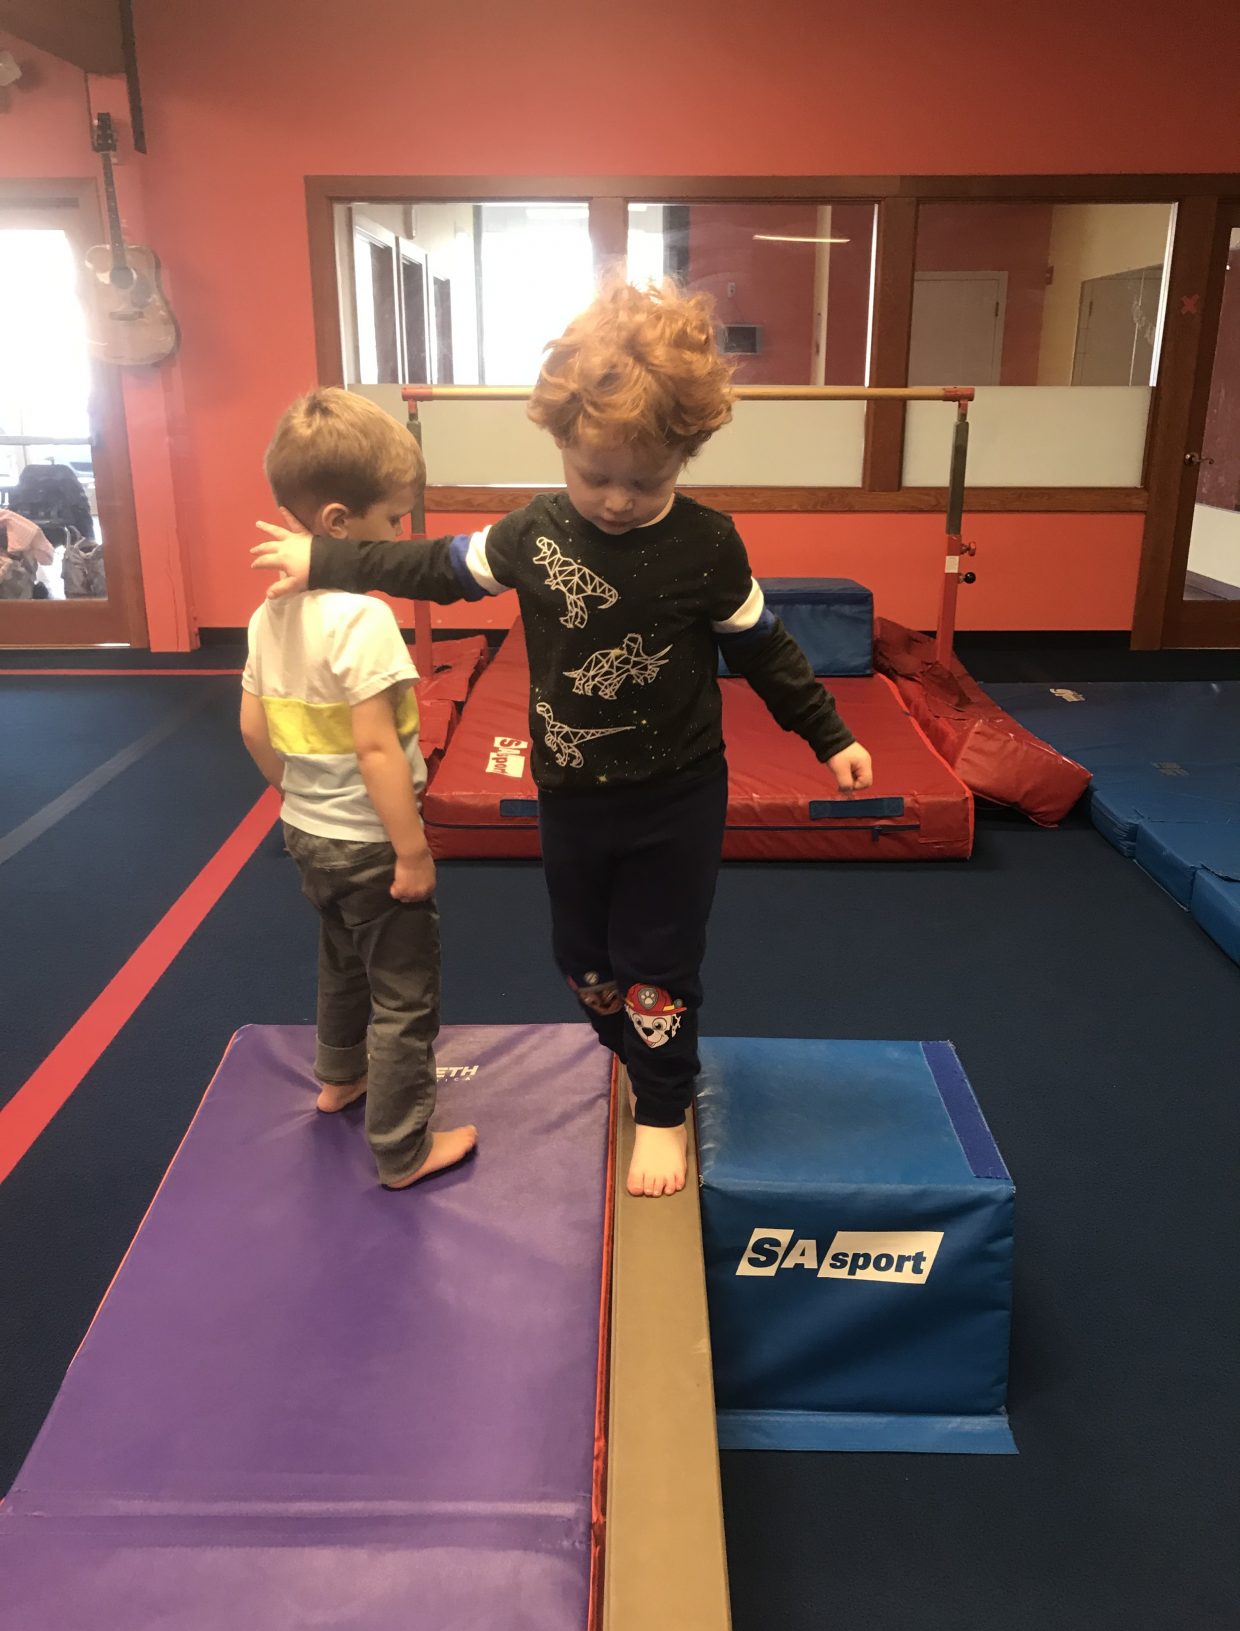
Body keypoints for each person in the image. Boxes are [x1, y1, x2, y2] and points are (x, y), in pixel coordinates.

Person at [251, 281, 872, 1199]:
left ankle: (662, 1103)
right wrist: (329, 559)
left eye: (645, 482)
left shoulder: (708, 546)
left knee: (658, 964)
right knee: (583, 964)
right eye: (595, 476)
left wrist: (829, 733)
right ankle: (644, 1046)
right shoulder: (534, 533)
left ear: (685, 456)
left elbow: (762, 646)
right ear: (562, 446)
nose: (616, 500)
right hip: (573, 800)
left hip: (677, 798)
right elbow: (435, 567)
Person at [241, 388, 477, 1188]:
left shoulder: (267, 615)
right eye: (392, 520)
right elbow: (377, 747)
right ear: (340, 523)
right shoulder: (363, 618)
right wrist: (410, 849)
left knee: (340, 955)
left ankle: (339, 1076)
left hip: (307, 832)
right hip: (374, 842)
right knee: (404, 992)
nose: (400, 538)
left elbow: (252, 728)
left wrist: (299, 793)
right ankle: (404, 1147)